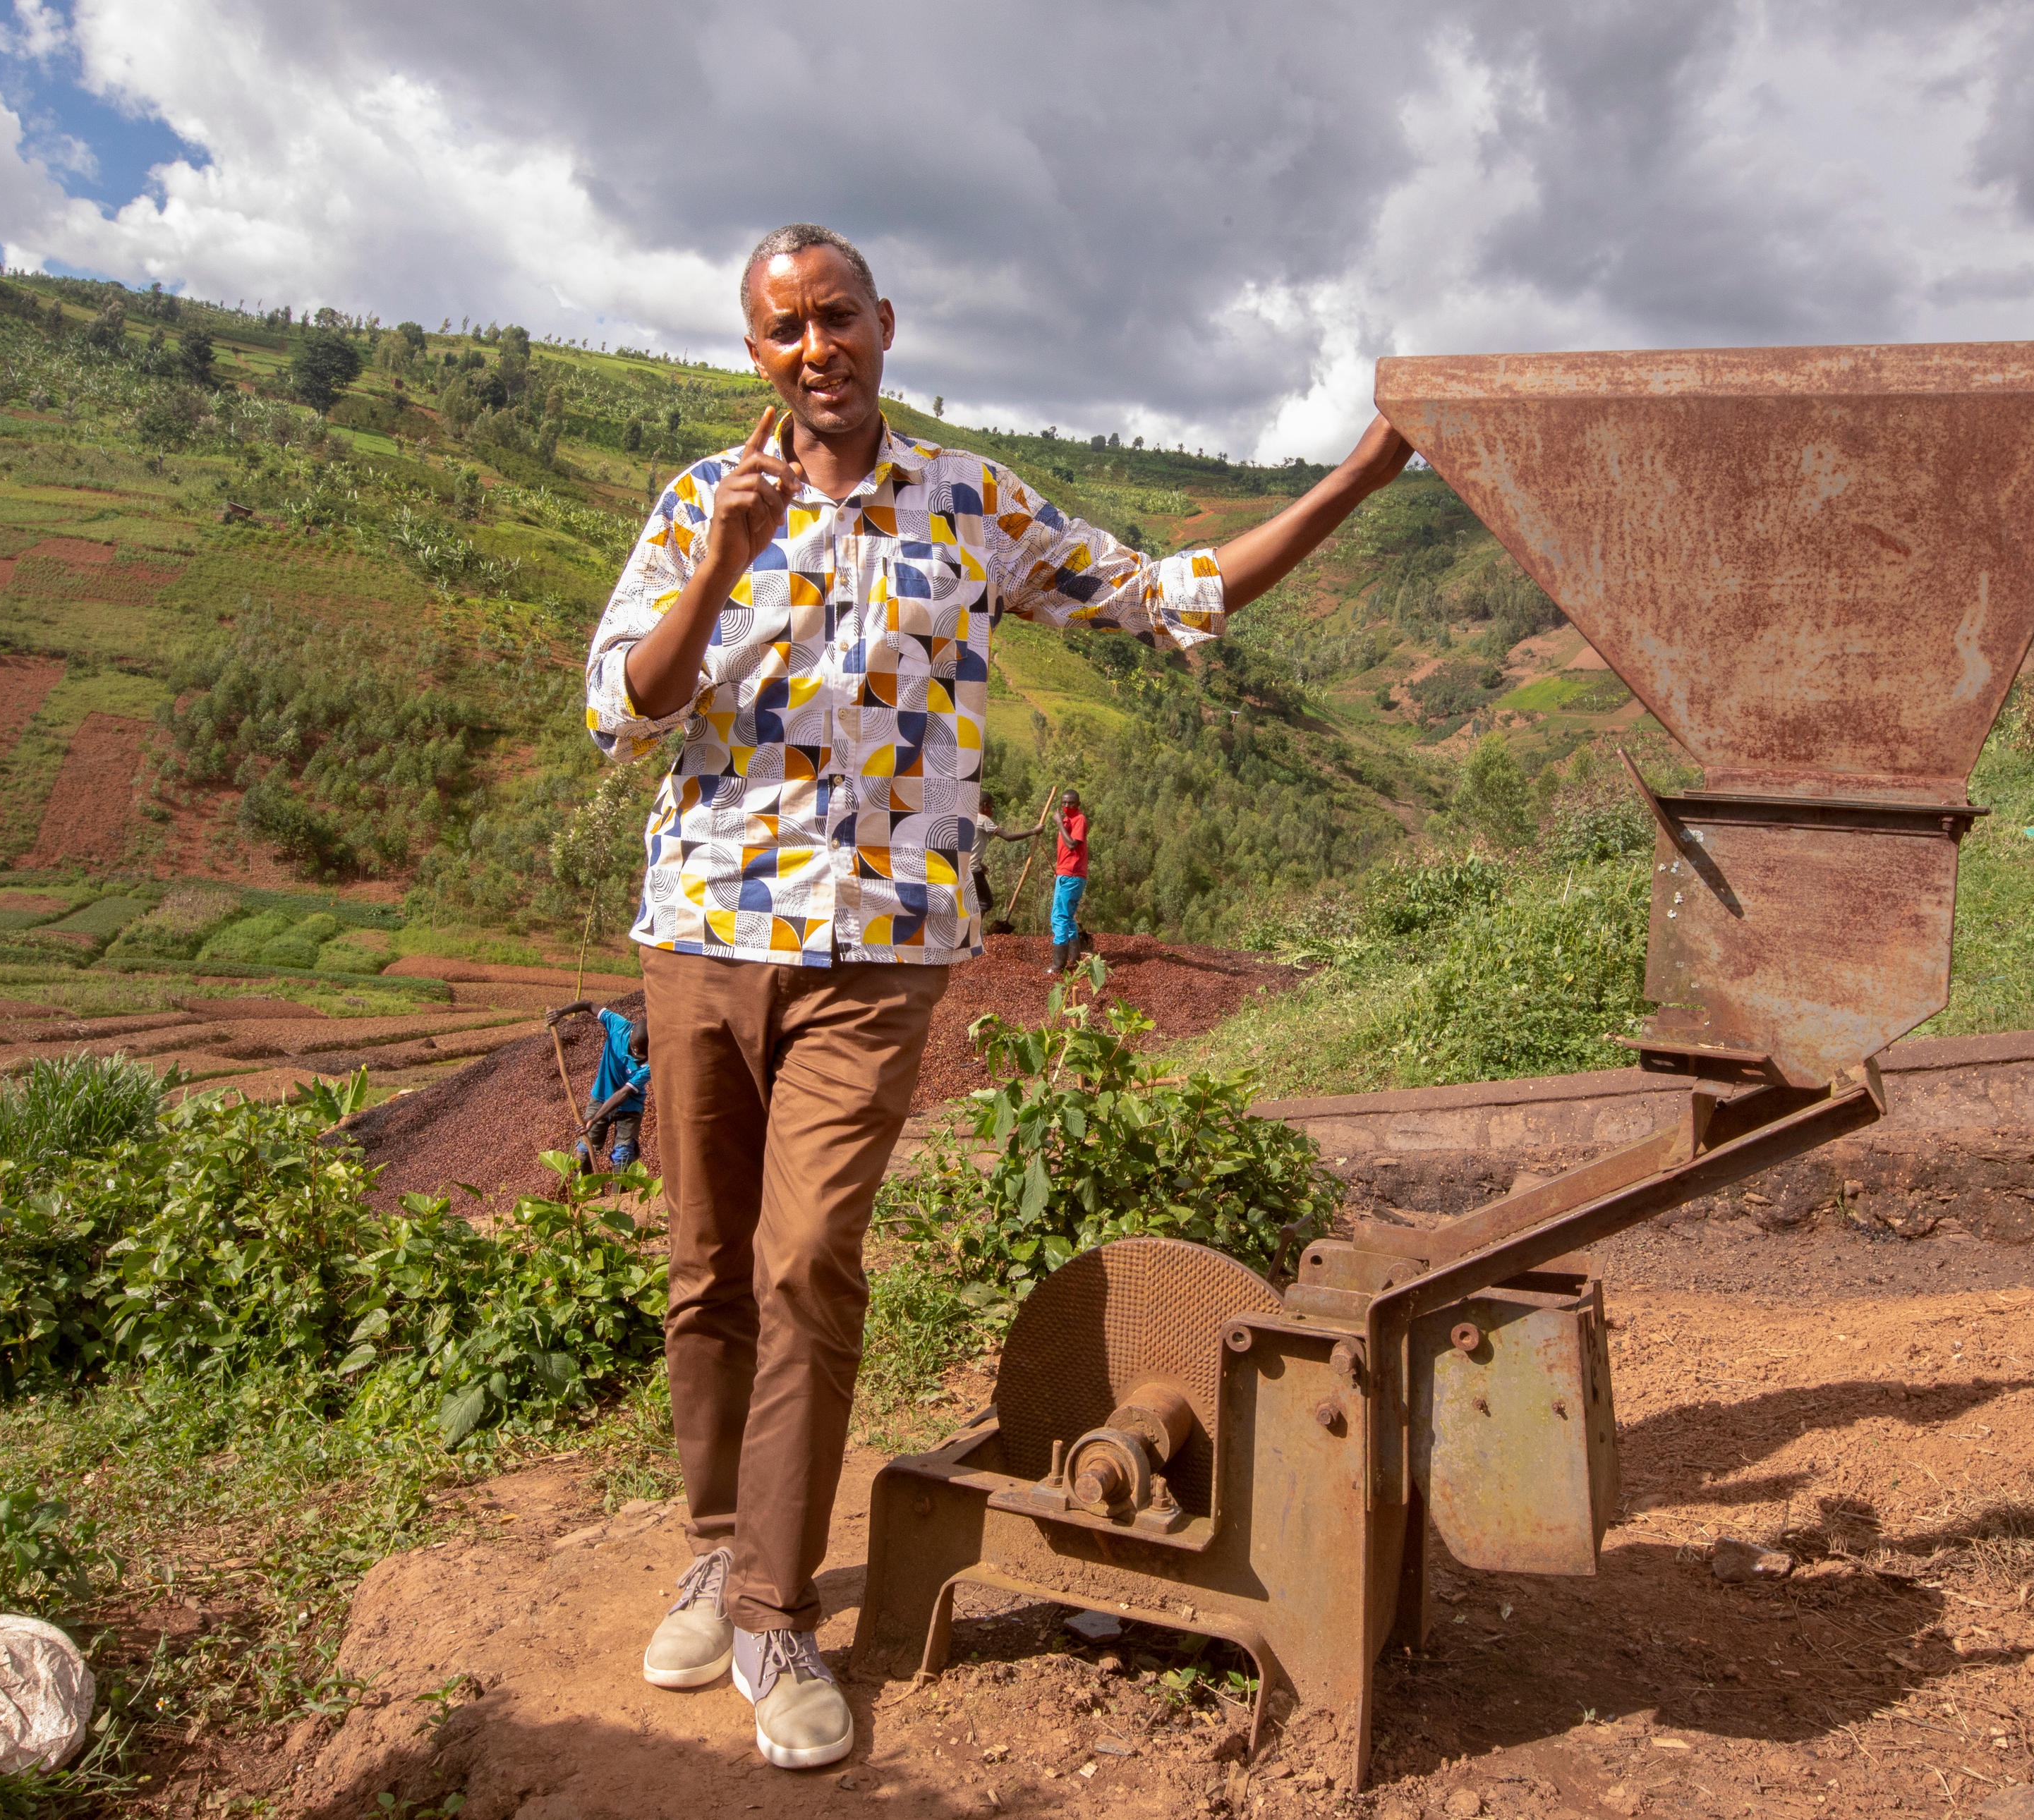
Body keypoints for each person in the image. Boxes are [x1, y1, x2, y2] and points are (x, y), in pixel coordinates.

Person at [580, 222, 1412, 1771]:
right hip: (699, 934)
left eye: (835, 316)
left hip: (878, 949)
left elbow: (1166, 596)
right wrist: (721, 563)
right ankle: (714, 1541)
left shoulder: (967, 504)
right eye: (781, 330)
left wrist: (1359, 480)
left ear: (884, 325)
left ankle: (769, 1614)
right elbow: (623, 711)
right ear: (753, 351)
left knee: (805, 1260)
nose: (812, 347)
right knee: (703, 1269)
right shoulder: (699, 499)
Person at [546, 1000, 648, 1165]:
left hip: (630, 1108)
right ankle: (586, 1190)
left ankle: (617, 1193)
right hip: (600, 1097)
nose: (636, 1059)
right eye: (635, 1053)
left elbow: (624, 1093)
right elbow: (588, 1005)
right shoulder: (618, 1026)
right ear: (631, 1039)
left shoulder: (651, 1063)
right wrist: (560, 1012)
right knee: (585, 1152)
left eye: (641, 1057)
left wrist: (593, 1118)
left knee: (623, 1157)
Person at [970, 789, 1041, 928]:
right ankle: (973, 932)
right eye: (990, 806)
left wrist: (980, 863)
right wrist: (1034, 831)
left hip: (965, 867)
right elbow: (1008, 837)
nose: (992, 810)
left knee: (970, 901)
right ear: (984, 805)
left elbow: (970, 846)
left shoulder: (969, 818)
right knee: (985, 902)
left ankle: (969, 930)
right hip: (973, 870)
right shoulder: (984, 820)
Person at [1046, 787, 1090, 974]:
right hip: (1065, 873)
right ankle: (1074, 957)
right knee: (1067, 917)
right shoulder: (1067, 819)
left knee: (1059, 917)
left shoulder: (1079, 820)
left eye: (1070, 803)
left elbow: (1072, 844)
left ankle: (1058, 965)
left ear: (1078, 804)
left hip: (1072, 875)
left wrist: (1059, 824)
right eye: (1064, 802)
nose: (1066, 806)